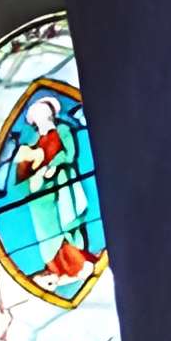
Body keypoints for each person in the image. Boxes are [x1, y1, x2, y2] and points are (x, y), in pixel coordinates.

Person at [13, 93, 101, 291]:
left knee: (66, 222)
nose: (41, 119)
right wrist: (37, 172)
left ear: (51, 114)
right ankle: (57, 269)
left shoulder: (62, 130)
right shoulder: (35, 143)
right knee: (45, 226)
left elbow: (69, 154)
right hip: (42, 190)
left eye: (44, 114)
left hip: (63, 184)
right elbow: (25, 174)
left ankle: (77, 264)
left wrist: (53, 165)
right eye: (37, 117)